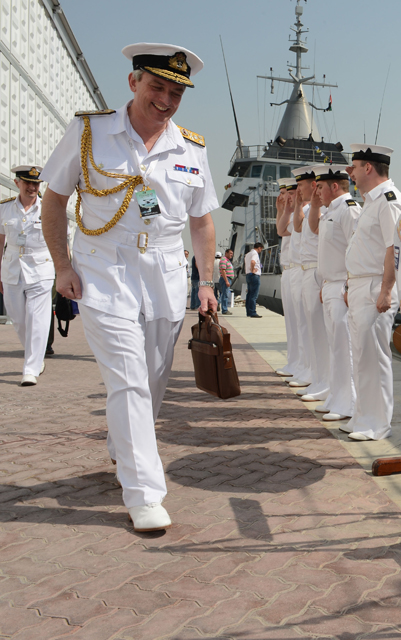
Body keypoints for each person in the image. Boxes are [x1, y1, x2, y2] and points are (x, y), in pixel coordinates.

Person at [40, 43, 218, 532]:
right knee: (129, 377)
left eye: (176, 91)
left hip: (164, 271)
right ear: (134, 82)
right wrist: (61, 267)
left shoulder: (191, 148)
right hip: (102, 268)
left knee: (154, 380)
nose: (166, 99)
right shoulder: (89, 131)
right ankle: (145, 494)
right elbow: (53, 201)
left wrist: (205, 283)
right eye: (157, 86)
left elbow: (201, 223)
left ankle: (124, 447)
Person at [342, 144, 401, 441]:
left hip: (375, 287)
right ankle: (362, 417)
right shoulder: (370, 201)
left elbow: (394, 249)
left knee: (375, 358)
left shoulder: (389, 200)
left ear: (368, 167)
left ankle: (378, 424)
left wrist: (386, 290)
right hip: (359, 285)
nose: (350, 173)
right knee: (360, 356)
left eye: (353, 167)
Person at [0, 165, 54, 386]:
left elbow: (60, 242)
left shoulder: (49, 208)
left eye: (36, 184)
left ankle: (30, 368)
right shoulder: (4, 209)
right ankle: (36, 355)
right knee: (19, 319)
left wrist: (63, 270)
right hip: (12, 268)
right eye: (28, 183)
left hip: (41, 268)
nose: (32, 187)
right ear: (17, 184)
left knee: (37, 318)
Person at [314, 164, 360, 422]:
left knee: (345, 348)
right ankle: (337, 397)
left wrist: (347, 285)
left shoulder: (349, 210)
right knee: (335, 347)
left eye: (320, 187)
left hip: (343, 284)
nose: (317, 192)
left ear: (334, 186)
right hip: (331, 284)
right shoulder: (331, 211)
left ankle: (349, 403)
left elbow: (356, 251)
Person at [294, 164, 330, 402]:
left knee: (321, 333)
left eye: (300, 185)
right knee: (311, 331)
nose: (298, 189)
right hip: (307, 272)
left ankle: (324, 382)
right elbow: (296, 227)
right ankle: (318, 379)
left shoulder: (326, 210)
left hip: (319, 272)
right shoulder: (309, 210)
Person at [274, 178, 304, 378]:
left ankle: (304, 367)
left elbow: (282, 230)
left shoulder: (302, 215)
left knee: (302, 325)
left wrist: (287, 210)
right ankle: (294, 363)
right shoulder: (292, 215)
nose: (284, 197)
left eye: (288, 193)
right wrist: (281, 210)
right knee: (292, 324)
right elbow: (280, 230)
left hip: (300, 270)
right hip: (288, 270)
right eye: (282, 194)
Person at [245, 242, 263, 318]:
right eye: (261, 249)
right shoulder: (255, 254)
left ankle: (248, 312)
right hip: (254, 275)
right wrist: (253, 270)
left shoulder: (247, 254)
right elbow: (253, 262)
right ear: (259, 248)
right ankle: (253, 312)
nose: (260, 251)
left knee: (249, 294)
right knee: (254, 295)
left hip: (248, 275)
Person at [218, 248, 234, 314]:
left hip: (227, 279)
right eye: (230, 253)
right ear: (226, 253)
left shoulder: (227, 260)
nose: (231, 255)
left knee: (224, 294)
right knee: (225, 295)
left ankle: (219, 305)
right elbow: (223, 270)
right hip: (226, 279)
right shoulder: (224, 260)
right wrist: (226, 281)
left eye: (232, 254)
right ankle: (224, 310)